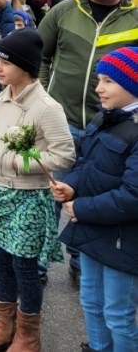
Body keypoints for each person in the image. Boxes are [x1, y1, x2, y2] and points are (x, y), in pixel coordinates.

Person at [0, 29, 75, 352]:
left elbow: (64, 154)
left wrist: (22, 162)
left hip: (30, 197)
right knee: (2, 259)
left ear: (26, 67)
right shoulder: (1, 98)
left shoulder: (47, 107)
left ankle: (28, 336)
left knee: (24, 265)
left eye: (6, 62)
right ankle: (4, 326)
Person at [39, 0, 138, 281]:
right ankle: (41, 260)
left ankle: (82, 257)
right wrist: (41, 97)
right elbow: (39, 56)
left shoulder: (135, 18)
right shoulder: (64, 11)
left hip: (111, 129)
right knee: (52, 192)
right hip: (61, 121)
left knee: (93, 193)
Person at [51, 48, 138, 352]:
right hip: (91, 230)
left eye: (108, 81)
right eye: (99, 79)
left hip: (122, 240)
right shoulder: (105, 119)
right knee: (91, 301)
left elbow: (133, 197)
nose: (99, 87)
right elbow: (85, 164)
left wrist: (80, 208)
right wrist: (71, 187)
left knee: (118, 314)